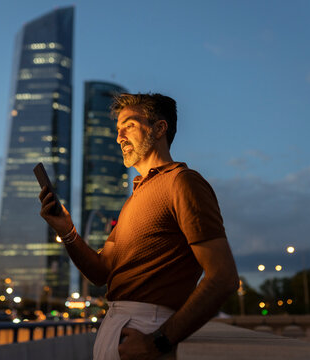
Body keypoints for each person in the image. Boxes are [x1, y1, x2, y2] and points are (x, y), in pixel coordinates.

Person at [39, 93, 239, 360]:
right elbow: (101, 272)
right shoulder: (134, 199)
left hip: (148, 329)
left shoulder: (182, 182)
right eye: (118, 130)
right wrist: (67, 231)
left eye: (129, 126)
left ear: (159, 128)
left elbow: (223, 277)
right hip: (117, 328)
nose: (119, 137)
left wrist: (159, 341)